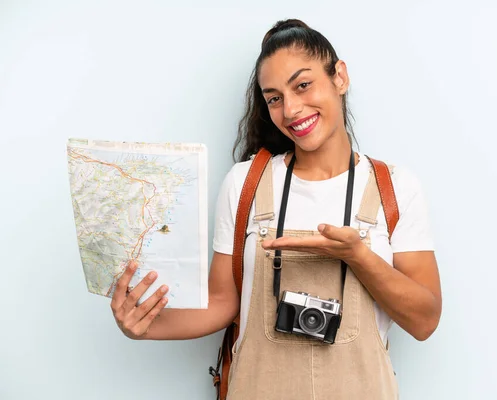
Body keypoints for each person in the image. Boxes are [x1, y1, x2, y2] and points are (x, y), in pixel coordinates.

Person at [110, 19, 442, 400]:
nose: (291, 109)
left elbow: (425, 320)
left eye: (303, 85)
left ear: (340, 78)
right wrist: (144, 326)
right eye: (274, 98)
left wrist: (358, 256)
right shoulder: (245, 182)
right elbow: (223, 303)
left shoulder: (395, 187)